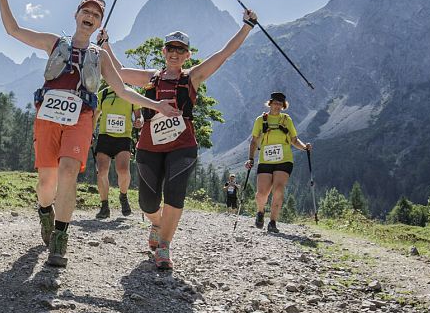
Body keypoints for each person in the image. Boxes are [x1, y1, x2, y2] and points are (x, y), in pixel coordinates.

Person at [0, 0, 180, 269]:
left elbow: (123, 90)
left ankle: (60, 240)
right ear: (76, 16)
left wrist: (157, 106)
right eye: (86, 12)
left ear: (99, 23)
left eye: (96, 15)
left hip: (81, 118)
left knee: (67, 172)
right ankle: (44, 210)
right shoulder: (54, 43)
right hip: (48, 115)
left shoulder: (99, 56)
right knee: (46, 182)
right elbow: (13, 29)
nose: (90, 17)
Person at [103, 14, 257, 270]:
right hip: (149, 145)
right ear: (164, 51)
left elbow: (224, 53)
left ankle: (164, 246)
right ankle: (156, 223)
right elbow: (118, 72)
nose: (175, 53)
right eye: (171, 49)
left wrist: (247, 26)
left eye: (181, 50)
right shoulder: (150, 78)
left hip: (182, 145)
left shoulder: (192, 77)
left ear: (187, 55)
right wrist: (105, 44)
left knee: (174, 192)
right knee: (147, 203)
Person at [247, 91, 311, 233]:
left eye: (280, 104)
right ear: (270, 104)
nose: (277, 106)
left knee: (278, 190)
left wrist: (304, 148)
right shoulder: (260, 120)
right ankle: (260, 212)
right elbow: (254, 141)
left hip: (284, 159)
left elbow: (294, 140)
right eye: (275, 103)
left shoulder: (286, 120)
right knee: (261, 193)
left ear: (283, 106)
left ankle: (273, 222)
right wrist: (251, 158)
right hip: (265, 160)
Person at [90, 53, 139, 219]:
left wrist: (139, 121)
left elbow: (138, 115)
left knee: (123, 170)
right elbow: (95, 115)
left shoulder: (131, 93)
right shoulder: (103, 94)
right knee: (101, 172)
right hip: (105, 137)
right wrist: (90, 132)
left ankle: (123, 196)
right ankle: (104, 206)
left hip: (123, 138)